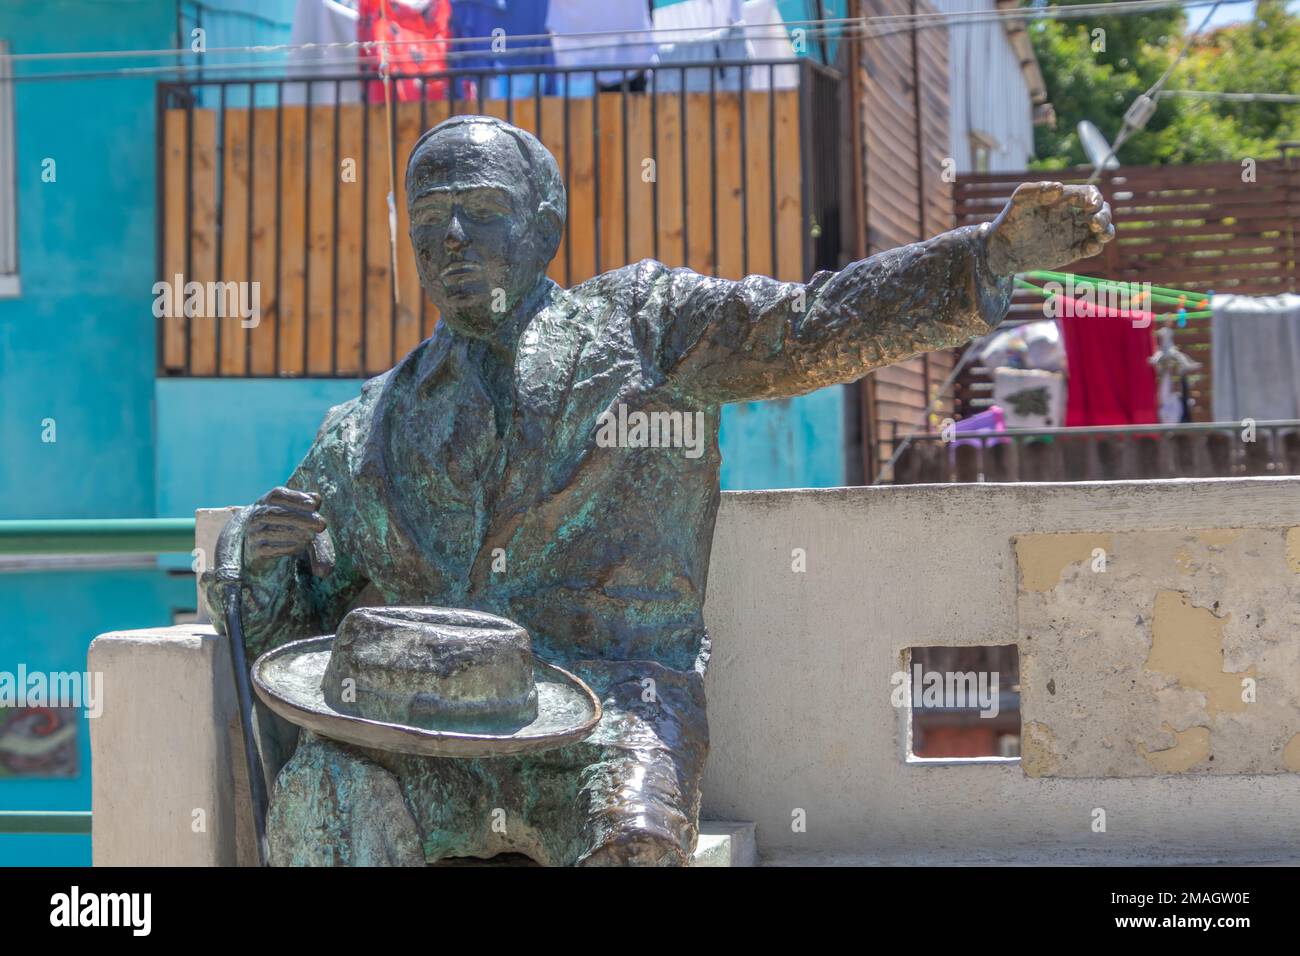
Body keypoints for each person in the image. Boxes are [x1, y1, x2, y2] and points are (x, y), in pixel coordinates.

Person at [202, 114, 1113, 865]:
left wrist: (979, 265)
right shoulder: (370, 425)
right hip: (429, 732)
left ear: (544, 224)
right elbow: (294, 619)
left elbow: (810, 327)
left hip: (608, 712)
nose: (450, 237)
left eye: (481, 209)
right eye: (429, 214)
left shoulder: (644, 327)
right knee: (319, 798)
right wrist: (265, 565)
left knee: (633, 845)